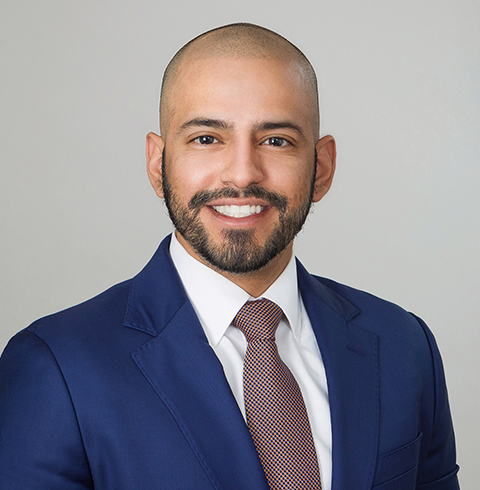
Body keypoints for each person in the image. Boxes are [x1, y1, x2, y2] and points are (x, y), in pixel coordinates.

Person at [0, 23, 459, 490]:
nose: (242, 174)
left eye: (276, 140)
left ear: (321, 168)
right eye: (206, 138)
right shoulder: (56, 368)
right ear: (158, 164)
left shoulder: (405, 347)